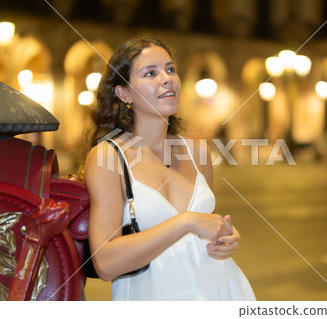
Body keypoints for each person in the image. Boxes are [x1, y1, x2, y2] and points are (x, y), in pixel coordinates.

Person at [83, 36, 255, 301]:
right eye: (150, 73)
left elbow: (203, 226)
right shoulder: (108, 157)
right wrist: (186, 222)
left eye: (170, 69)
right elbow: (105, 263)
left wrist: (224, 238)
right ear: (124, 93)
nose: (167, 78)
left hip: (223, 291)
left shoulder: (197, 151)